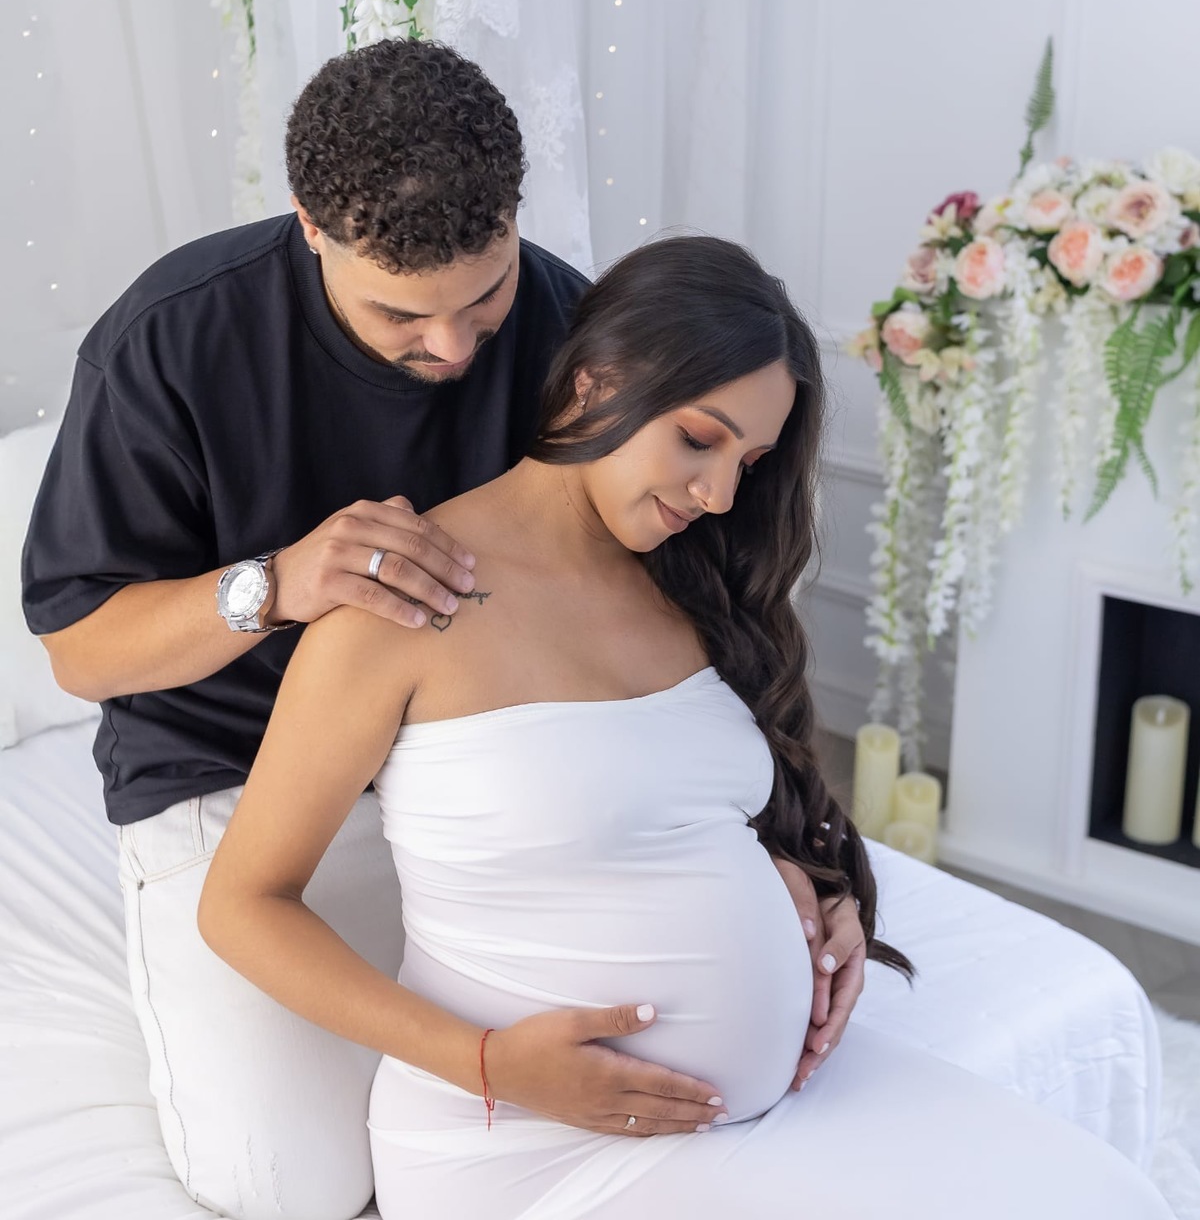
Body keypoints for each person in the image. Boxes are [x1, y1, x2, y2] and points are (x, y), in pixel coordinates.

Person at [22, 40, 866, 1219]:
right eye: (404, 316)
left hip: (470, 770)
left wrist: (786, 867)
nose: (459, 351)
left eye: (485, 296)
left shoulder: (576, 330)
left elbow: (676, 633)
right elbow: (79, 647)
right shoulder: (174, 340)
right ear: (311, 228)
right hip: (230, 764)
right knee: (291, 1180)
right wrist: (274, 584)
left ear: (515, 218)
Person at [198, 235, 1174, 1220]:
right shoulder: (401, 599)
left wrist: (823, 900)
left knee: (1106, 1195)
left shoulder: (692, 579)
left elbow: (696, 815)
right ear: (596, 380)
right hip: (523, 1141)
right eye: (699, 439)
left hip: (750, 1113)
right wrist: (489, 1062)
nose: (717, 493)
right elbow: (242, 904)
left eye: (747, 461)